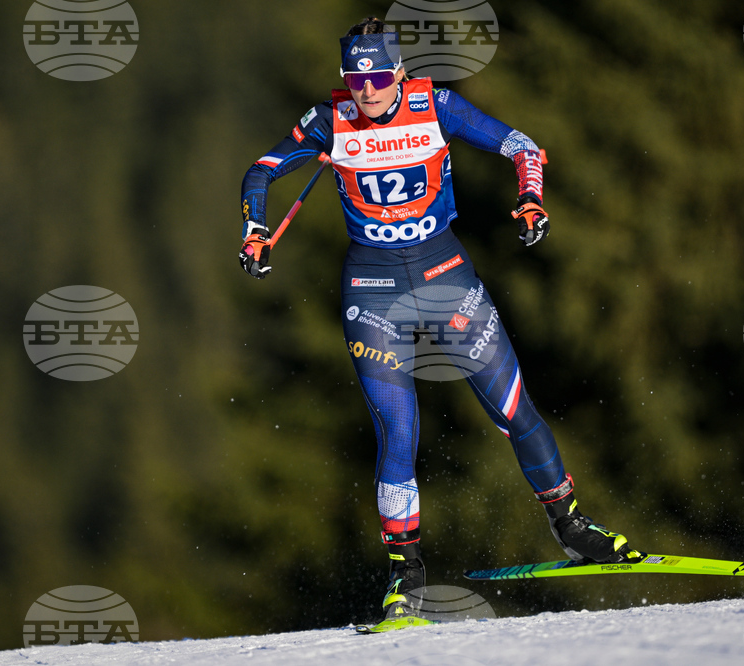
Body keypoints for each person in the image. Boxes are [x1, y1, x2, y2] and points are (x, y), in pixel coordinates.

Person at [238, 17, 643, 625]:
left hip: (446, 277)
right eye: (355, 76)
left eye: (377, 75)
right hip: (371, 292)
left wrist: (530, 196)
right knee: (398, 434)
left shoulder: (436, 105)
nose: (367, 88)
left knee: (514, 409)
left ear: (399, 71)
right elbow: (262, 169)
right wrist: (255, 228)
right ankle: (406, 577)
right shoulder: (331, 118)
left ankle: (571, 526)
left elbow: (523, 146)